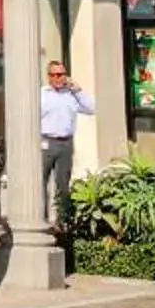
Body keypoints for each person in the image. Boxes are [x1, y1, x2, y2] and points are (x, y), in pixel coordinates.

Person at [39, 60, 92, 221]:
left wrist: (78, 90)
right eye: (53, 75)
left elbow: (92, 108)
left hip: (66, 143)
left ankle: (63, 221)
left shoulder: (71, 95)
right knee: (41, 182)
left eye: (60, 74)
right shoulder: (42, 94)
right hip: (46, 142)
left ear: (65, 75)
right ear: (48, 76)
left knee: (63, 183)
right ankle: (41, 218)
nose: (57, 78)